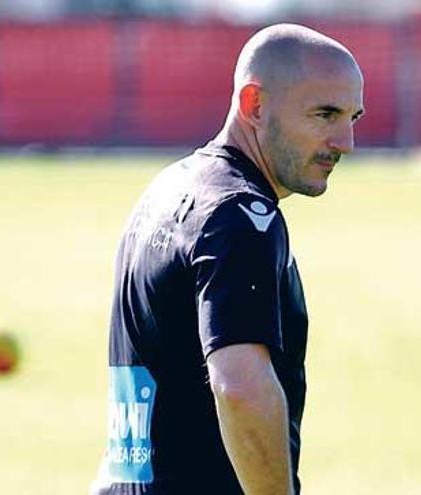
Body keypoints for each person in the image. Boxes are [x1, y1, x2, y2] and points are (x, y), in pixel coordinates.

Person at [90, 23, 364, 495]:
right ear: (254, 104)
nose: (345, 141)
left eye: (353, 118)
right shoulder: (241, 218)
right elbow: (240, 386)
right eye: (325, 115)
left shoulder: (168, 191)